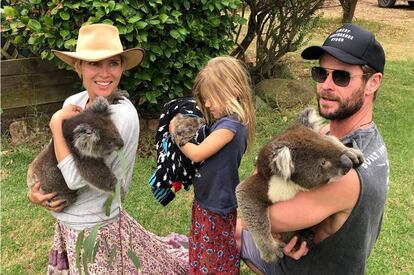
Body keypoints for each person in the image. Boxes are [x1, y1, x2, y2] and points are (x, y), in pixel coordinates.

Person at [27, 23, 188, 274]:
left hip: (94, 228)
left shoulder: (121, 116)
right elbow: (56, 156)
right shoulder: (75, 102)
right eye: (94, 63)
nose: (105, 73)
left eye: (113, 63)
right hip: (67, 223)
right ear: (78, 66)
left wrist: (56, 124)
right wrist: (35, 194)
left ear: (122, 67)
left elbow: (72, 177)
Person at [236, 23, 389, 274]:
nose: (327, 85)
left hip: (302, 268)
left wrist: (260, 170)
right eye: (321, 73)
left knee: (231, 230)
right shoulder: (363, 139)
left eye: (341, 76)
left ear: (372, 82)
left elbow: (252, 208)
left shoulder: (346, 175)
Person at [169, 56, 256, 274]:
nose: (207, 104)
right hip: (207, 200)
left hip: (217, 205)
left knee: (215, 256)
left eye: (212, 98)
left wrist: (177, 135)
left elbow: (197, 154)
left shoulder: (230, 127)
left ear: (233, 91)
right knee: (202, 249)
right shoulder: (224, 122)